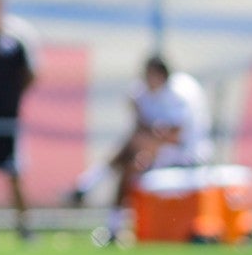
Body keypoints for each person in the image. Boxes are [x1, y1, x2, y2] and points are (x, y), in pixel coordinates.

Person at [69, 55, 214, 241]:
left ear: (160, 75)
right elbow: (138, 117)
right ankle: (103, 213)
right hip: (156, 152)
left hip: (185, 156)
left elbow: (174, 135)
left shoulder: (180, 93)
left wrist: (148, 134)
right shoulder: (145, 90)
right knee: (130, 158)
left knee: (131, 159)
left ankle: (89, 188)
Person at [0, 0, 38, 241]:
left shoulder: (12, 43)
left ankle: (25, 229)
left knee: (14, 174)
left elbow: (28, 76)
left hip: (6, 120)